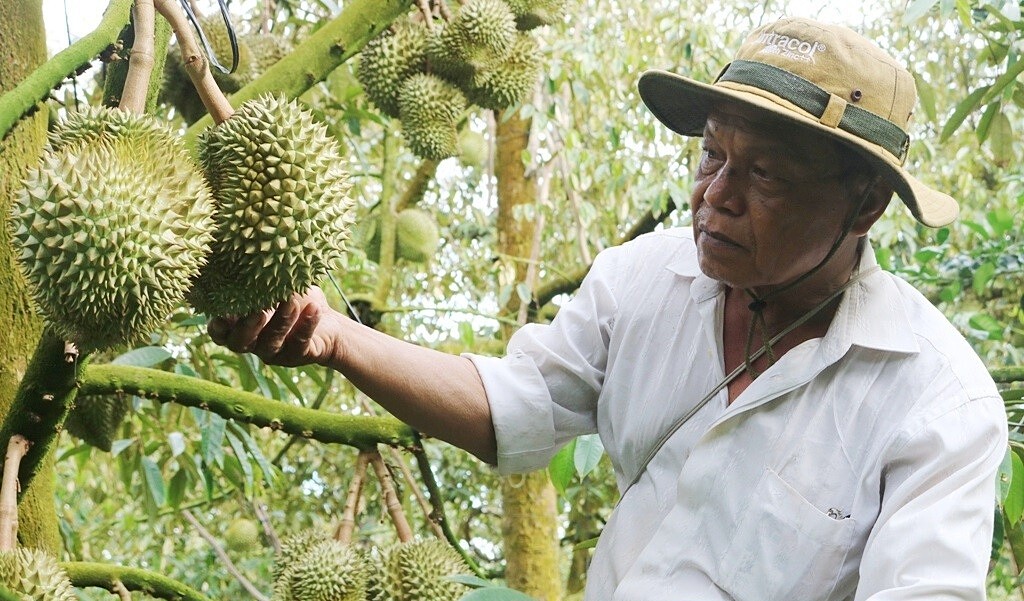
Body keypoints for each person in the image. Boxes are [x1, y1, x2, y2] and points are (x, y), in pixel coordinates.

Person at [208, 16, 1009, 601]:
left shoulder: (936, 402)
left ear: (864, 204)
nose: (713, 197)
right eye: (711, 155)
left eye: (763, 175)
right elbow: (512, 409)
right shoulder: (641, 280)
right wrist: (334, 339)